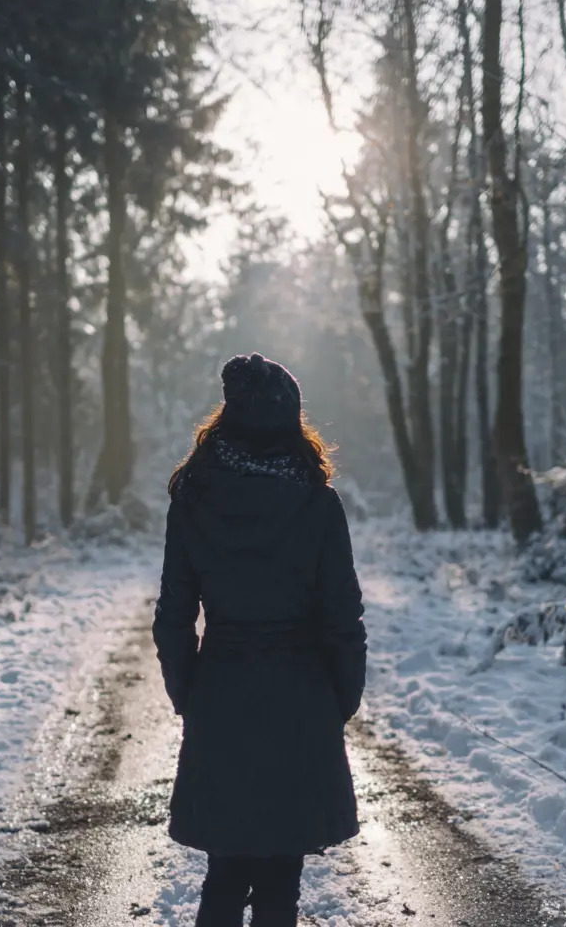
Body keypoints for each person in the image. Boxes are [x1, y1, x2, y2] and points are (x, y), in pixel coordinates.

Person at [152, 353, 368, 927]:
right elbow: (343, 619)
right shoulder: (318, 504)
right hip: (301, 698)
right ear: (291, 425)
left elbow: (173, 617)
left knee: (225, 872)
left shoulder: (194, 496)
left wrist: (190, 697)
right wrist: (339, 699)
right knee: (280, 881)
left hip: (222, 692)